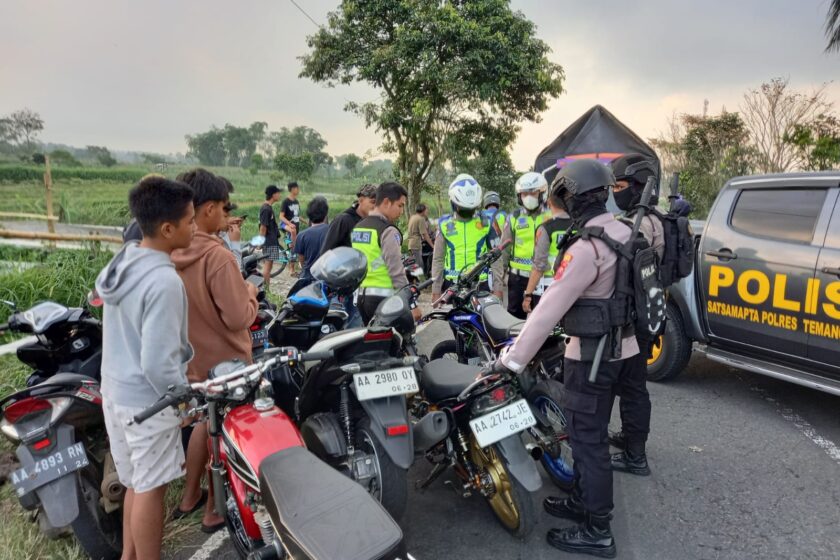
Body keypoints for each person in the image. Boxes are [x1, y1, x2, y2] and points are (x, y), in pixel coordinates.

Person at [494, 159, 638, 558]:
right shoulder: (626, 231)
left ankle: (598, 530)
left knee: (587, 442)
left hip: (590, 356)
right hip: (625, 350)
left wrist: (512, 360)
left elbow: (547, 311)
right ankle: (581, 501)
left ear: (573, 198)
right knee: (589, 434)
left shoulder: (588, 247)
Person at [95, 176, 196, 560]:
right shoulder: (164, 281)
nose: (195, 227)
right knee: (152, 489)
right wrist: (183, 404)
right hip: (148, 403)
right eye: (190, 221)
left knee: (136, 481)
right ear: (168, 229)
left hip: (115, 393)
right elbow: (158, 363)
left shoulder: (123, 260)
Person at [171, 168, 259, 534]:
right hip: (227, 362)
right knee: (220, 433)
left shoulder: (170, 250)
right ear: (206, 209)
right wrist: (251, 296)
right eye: (223, 209)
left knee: (200, 426)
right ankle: (214, 509)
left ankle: (189, 496)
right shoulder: (217, 256)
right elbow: (238, 316)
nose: (227, 216)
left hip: (191, 359)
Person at [607, 153, 664, 477]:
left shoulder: (637, 226)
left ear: (640, 186)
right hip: (653, 311)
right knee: (634, 384)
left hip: (632, 319)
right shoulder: (663, 219)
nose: (616, 190)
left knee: (629, 387)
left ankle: (635, 456)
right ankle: (630, 438)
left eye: (621, 185)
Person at [352, 182, 419, 324]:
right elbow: (396, 271)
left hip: (361, 298)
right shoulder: (387, 231)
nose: (401, 211)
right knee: (397, 342)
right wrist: (412, 304)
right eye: (400, 206)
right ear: (387, 202)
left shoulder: (359, 228)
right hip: (383, 299)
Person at [431, 174, 499, 302]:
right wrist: (436, 291)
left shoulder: (486, 223)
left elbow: (497, 257)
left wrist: (498, 288)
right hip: (452, 287)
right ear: (454, 203)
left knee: (481, 321)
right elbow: (438, 260)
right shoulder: (444, 225)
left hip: (480, 286)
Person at [321, 184, 378, 327]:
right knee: (347, 329)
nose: (375, 206)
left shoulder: (372, 223)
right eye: (372, 202)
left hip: (365, 287)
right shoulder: (344, 220)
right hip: (344, 289)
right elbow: (326, 253)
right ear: (361, 199)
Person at [498, 172, 552, 319]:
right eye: (524, 193)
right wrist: (499, 277)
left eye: (533, 193)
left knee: (544, 322)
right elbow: (504, 249)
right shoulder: (514, 217)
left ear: (542, 193)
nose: (528, 197)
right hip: (518, 280)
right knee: (514, 321)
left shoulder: (552, 216)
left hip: (544, 279)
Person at [521, 193, 573, 314]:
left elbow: (539, 265)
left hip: (549, 287)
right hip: (575, 286)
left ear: (549, 203)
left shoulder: (546, 228)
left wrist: (528, 294)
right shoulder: (579, 225)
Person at [294, 196, 330, 282]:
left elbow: (301, 260)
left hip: (307, 277)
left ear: (309, 215)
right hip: (326, 277)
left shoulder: (301, 235)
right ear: (325, 214)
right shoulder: (332, 231)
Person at [260, 185, 283, 290]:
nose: (280, 195)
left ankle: (266, 289)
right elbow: (263, 227)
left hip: (272, 240)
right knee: (267, 266)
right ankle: (265, 290)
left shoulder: (269, 208)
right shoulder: (266, 209)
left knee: (269, 266)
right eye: (278, 193)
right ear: (273, 194)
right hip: (268, 241)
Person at [280, 181, 302, 275]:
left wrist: (307, 221)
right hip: (288, 227)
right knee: (292, 247)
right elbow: (281, 216)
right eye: (297, 188)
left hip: (296, 227)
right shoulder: (286, 202)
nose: (298, 190)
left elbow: (297, 216)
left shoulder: (296, 202)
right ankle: (291, 270)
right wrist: (289, 224)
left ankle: (293, 267)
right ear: (292, 189)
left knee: (294, 246)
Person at [407, 203, 434, 275]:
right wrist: (432, 246)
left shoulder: (413, 217)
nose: (427, 211)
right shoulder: (421, 219)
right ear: (423, 210)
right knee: (420, 266)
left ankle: (417, 282)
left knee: (417, 264)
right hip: (416, 244)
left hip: (411, 243)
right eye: (426, 209)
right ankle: (420, 284)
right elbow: (425, 234)